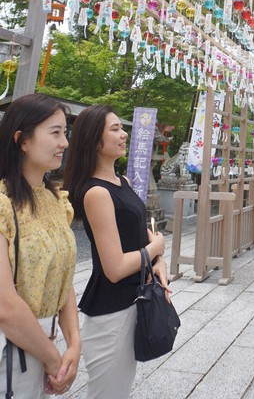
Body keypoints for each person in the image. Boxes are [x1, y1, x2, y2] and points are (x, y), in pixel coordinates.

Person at [62, 104, 167, 399]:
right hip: (112, 311)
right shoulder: (96, 192)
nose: (124, 134)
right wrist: (154, 248)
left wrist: (158, 261)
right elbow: (115, 267)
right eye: (115, 129)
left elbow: (139, 231)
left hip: (135, 300)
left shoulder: (124, 182)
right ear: (95, 140)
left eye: (122, 128)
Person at [0, 93, 81, 397]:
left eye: (66, 132)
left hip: (45, 344)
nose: (65, 142)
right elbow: (5, 306)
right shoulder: (3, 204)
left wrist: (74, 343)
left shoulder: (56, 200)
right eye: (55, 132)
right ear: (22, 140)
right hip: (10, 349)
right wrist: (54, 360)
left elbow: (63, 276)